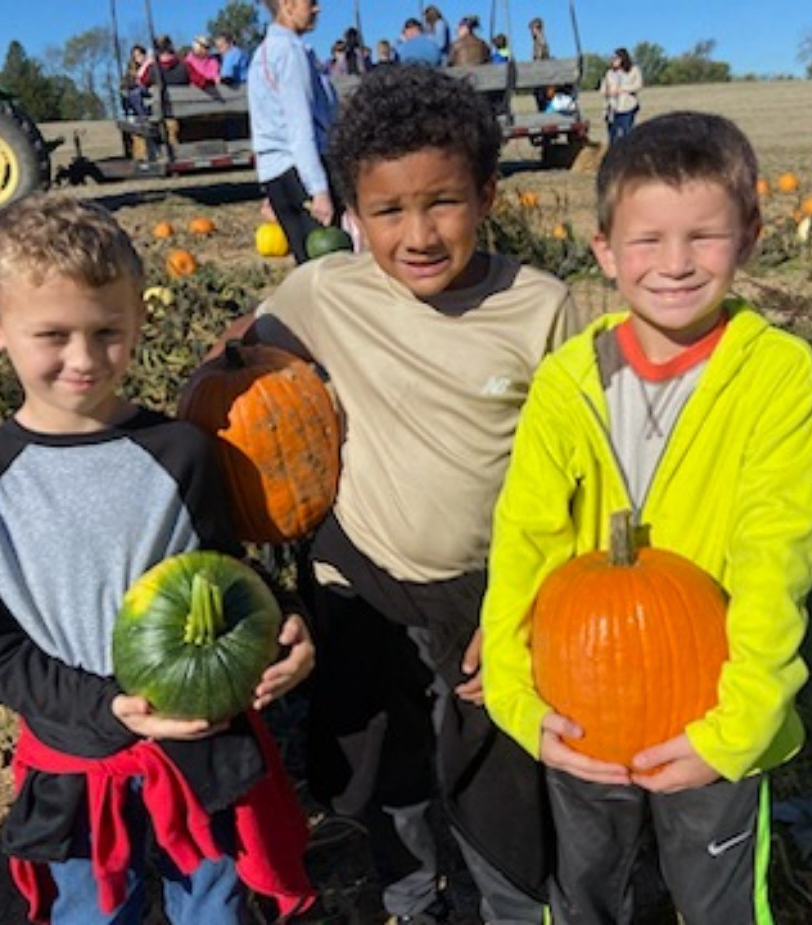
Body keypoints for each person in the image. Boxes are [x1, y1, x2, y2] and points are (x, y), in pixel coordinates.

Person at [246, 64, 583, 925]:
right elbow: (237, 369)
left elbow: (583, 475)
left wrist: (527, 609)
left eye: (443, 203)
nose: (419, 233)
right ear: (352, 215)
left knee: (500, 779)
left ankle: (515, 905)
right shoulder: (322, 292)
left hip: (490, 592)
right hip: (364, 581)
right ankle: (409, 898)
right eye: (388, 211)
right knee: (384, 768)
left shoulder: (539, 307)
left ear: (486, 194)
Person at [480, 111, 812, 925]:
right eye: (647, 240)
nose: (674, 263)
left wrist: (735, 727)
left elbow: (776, 558)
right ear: (604, 249)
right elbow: (522, 542)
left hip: (711, 699)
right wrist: (517, 697)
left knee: (715, 899)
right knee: (584, 888)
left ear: (748, 238)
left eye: (702, 236)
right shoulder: (567, 381)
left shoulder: (776, 377)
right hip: (582, 701)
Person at [0, 193, 319, 925]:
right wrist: (106, 705)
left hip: (199, 745)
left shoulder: (179, 452)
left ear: (138, 319)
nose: (84, 359)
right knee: (95, 912)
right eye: (53, 335)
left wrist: (285, 622)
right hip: (77, 760)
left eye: (107, 331)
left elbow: (226, 577)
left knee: (215, 907)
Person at [248, 0, 341, 264]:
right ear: (287, 4)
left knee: (307, 263)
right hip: (301, 169)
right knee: (330, 264)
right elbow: (300, 125)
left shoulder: (262, 54)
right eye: (310, 3)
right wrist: (318, 189)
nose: (317, 9)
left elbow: (265, 123)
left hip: (276, 173)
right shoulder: (290, 52)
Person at [600, 47, 643, 143]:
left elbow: (638, 85)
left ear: (623, 58)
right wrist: (609, 92)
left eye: (616, 58)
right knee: (613, 136)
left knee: (627, 133)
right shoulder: (609, 73)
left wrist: (623, 89)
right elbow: (602, 89)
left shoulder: (634, 70)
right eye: (612, 58)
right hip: (612, 109)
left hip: (628, 107)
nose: (613, 60)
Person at [120, 44, 150, 118]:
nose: (137, 58)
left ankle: (143, 115)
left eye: (139, 55)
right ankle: (135, 114)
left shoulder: (150, 65)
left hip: (147, 89)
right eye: (135, 56)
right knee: (127, 94)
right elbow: (125, 81)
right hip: (135, 89)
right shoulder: (132, 68)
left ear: (144, 55)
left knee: (135, 94)